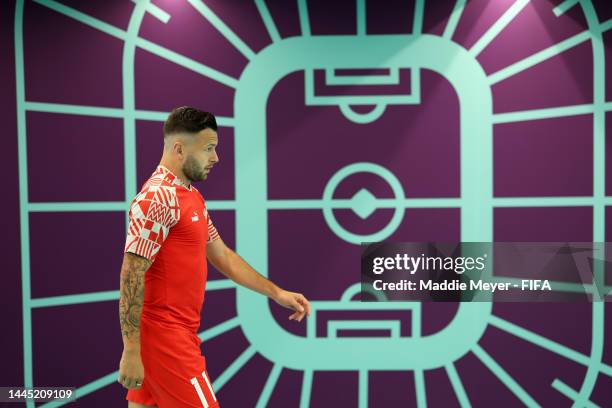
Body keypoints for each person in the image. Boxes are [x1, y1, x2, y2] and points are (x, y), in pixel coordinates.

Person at [117, 106, 311, 407]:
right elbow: (131, 273)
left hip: (175, 335)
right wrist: (131, 350)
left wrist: (276, 293)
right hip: (165, 339)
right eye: (208, 149)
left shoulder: (190, 196)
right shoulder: (158, 198)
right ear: (179, 149)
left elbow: (222, 255)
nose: (216, 158)